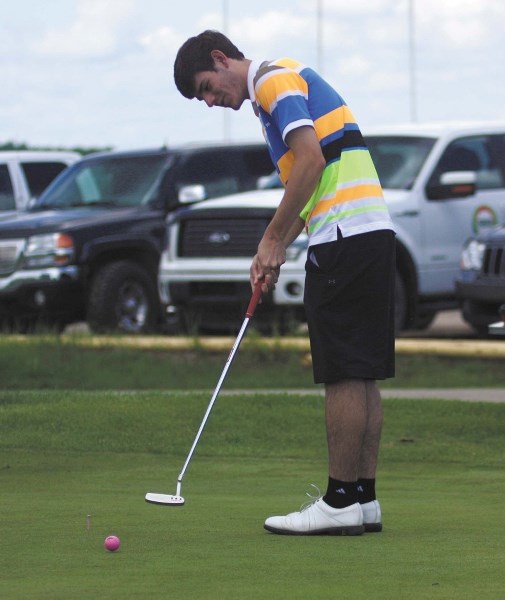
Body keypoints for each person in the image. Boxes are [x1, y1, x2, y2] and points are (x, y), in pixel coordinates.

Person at [174, 30, 396, 536]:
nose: (211, 101)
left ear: (220, 58)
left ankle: (339, 500)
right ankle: (362, 499)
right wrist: (273, 247)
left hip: (343, 235)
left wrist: (273, 238)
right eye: (202, 99)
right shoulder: (286, 82)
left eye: (207, 87)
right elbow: (313, 178)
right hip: (366, 230)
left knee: (343, 370)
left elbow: (311, 161)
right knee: (361, 372)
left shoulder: (273, 83)